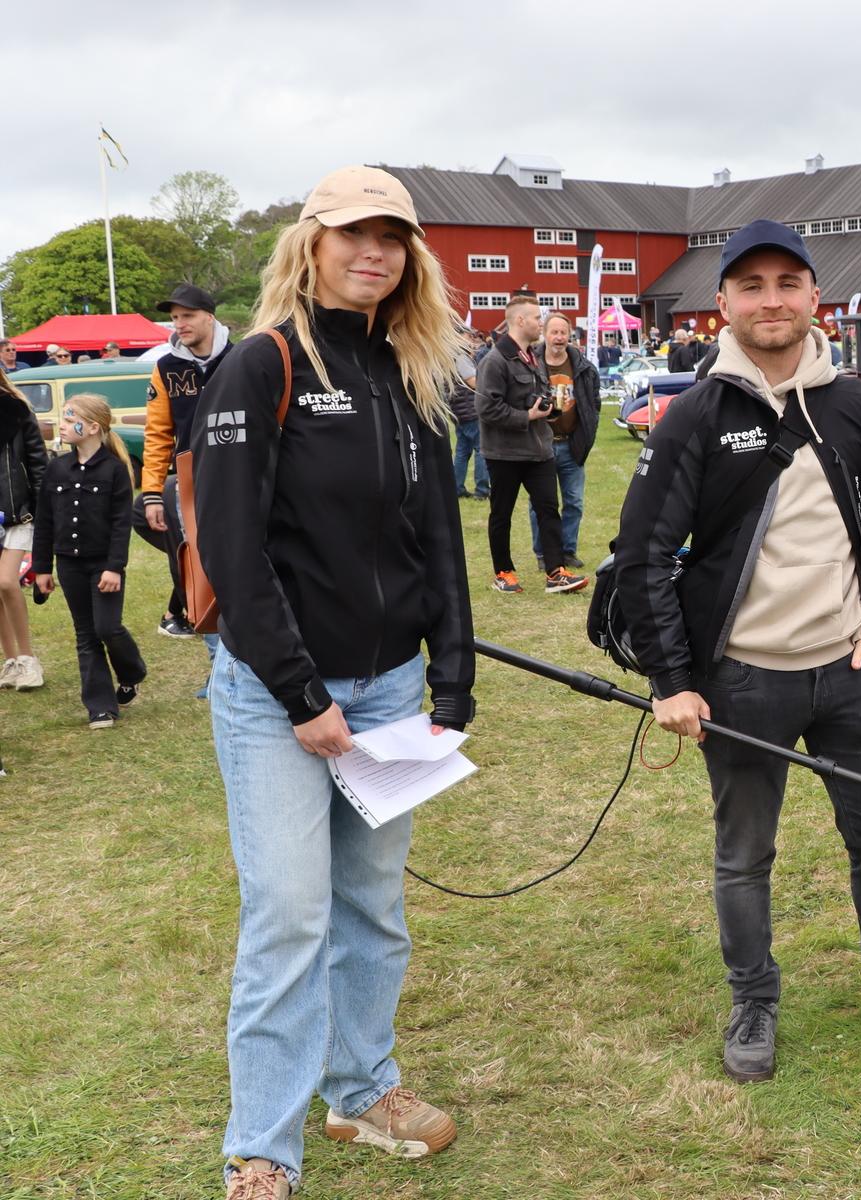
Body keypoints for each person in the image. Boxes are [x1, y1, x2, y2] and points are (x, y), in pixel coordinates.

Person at [614, 219, 861, 1084]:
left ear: (816, 297)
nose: (771, 300)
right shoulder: (696, 415)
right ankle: (755, 1002)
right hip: (743, 681)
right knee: (745, 856)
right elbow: (642, 556)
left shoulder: (857, 403)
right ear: (722, 306)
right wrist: (674, 680)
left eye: (788, 283)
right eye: (752, 286)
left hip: (852, 676)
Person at [191, 164, 476, 1200]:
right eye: (354, 233)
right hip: (278, 699)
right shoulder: (259, 365)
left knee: (372, 905)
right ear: (309, 244)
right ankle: (262, 1146)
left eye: (392, 237)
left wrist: (453, 680)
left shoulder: (409, 370)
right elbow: (231, 547)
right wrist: (306, 696)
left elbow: (436, 537)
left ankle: (362, 1088)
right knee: (289, 918)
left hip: (394, 692)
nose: (375, 252)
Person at [30, 393, 146, 728]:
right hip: (69, 565)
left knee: (107, 627)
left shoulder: (115, 471)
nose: (62, 426)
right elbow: (46, 521)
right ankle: (100, 706)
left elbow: (122, 523)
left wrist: (114, 567)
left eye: (69, 420)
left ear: (93, 427)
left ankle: (132, 671)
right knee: (86, 634)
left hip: (103, 564)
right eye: (64, 419)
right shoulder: (56, 469)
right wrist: (42, 568)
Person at [140, 283, 235, 643]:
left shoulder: (240, 357)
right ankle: (214, 659)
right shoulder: (165, 368)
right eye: (175, 318)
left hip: (239, 475)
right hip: (189, 481)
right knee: (198, 565)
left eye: (188, 315)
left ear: (209, 316)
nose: (179, 324)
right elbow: (158, 433)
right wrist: (151, 493)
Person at [476, 296, 587, 594]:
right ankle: (504, 573)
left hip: (539, 450)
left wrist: (547, 408)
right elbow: (486, 409)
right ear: (520, 321)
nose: (541, 322)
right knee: (502, 514)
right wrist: (527, 415)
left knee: (549, 510)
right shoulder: (495, 360)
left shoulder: (532, 357)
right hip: (505, 453)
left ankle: (556, 572)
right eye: (537, 317)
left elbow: (533, 396)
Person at [527, 310, 600, 569]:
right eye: (554, 332)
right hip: (541, 445)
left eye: (563, 333)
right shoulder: (531, 365)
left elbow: (594, 403)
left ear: (569, 336)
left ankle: (568, 551)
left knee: (574, 502)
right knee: (540, 504)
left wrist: (587, 433)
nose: (559, 337)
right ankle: (543, 554)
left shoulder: (583, 367)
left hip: (571, 445)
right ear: (545, 335)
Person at [0, 366, 47, 691]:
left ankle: (29, 660)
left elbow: (37, 461)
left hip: (17, 512)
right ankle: (11, 660)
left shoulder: (16, 410)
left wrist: (44, 511)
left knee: (5, 582)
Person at [449, 328, 489, 500]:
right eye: (468, 335)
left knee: (462, 451)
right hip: (470, 410)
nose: (471, 339)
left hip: (459, 411)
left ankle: (457, 488)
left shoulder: (449, 356)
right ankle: (482, 490)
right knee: (481, 449)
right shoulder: (460, 357)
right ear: (458, 337)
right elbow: (474, 382)